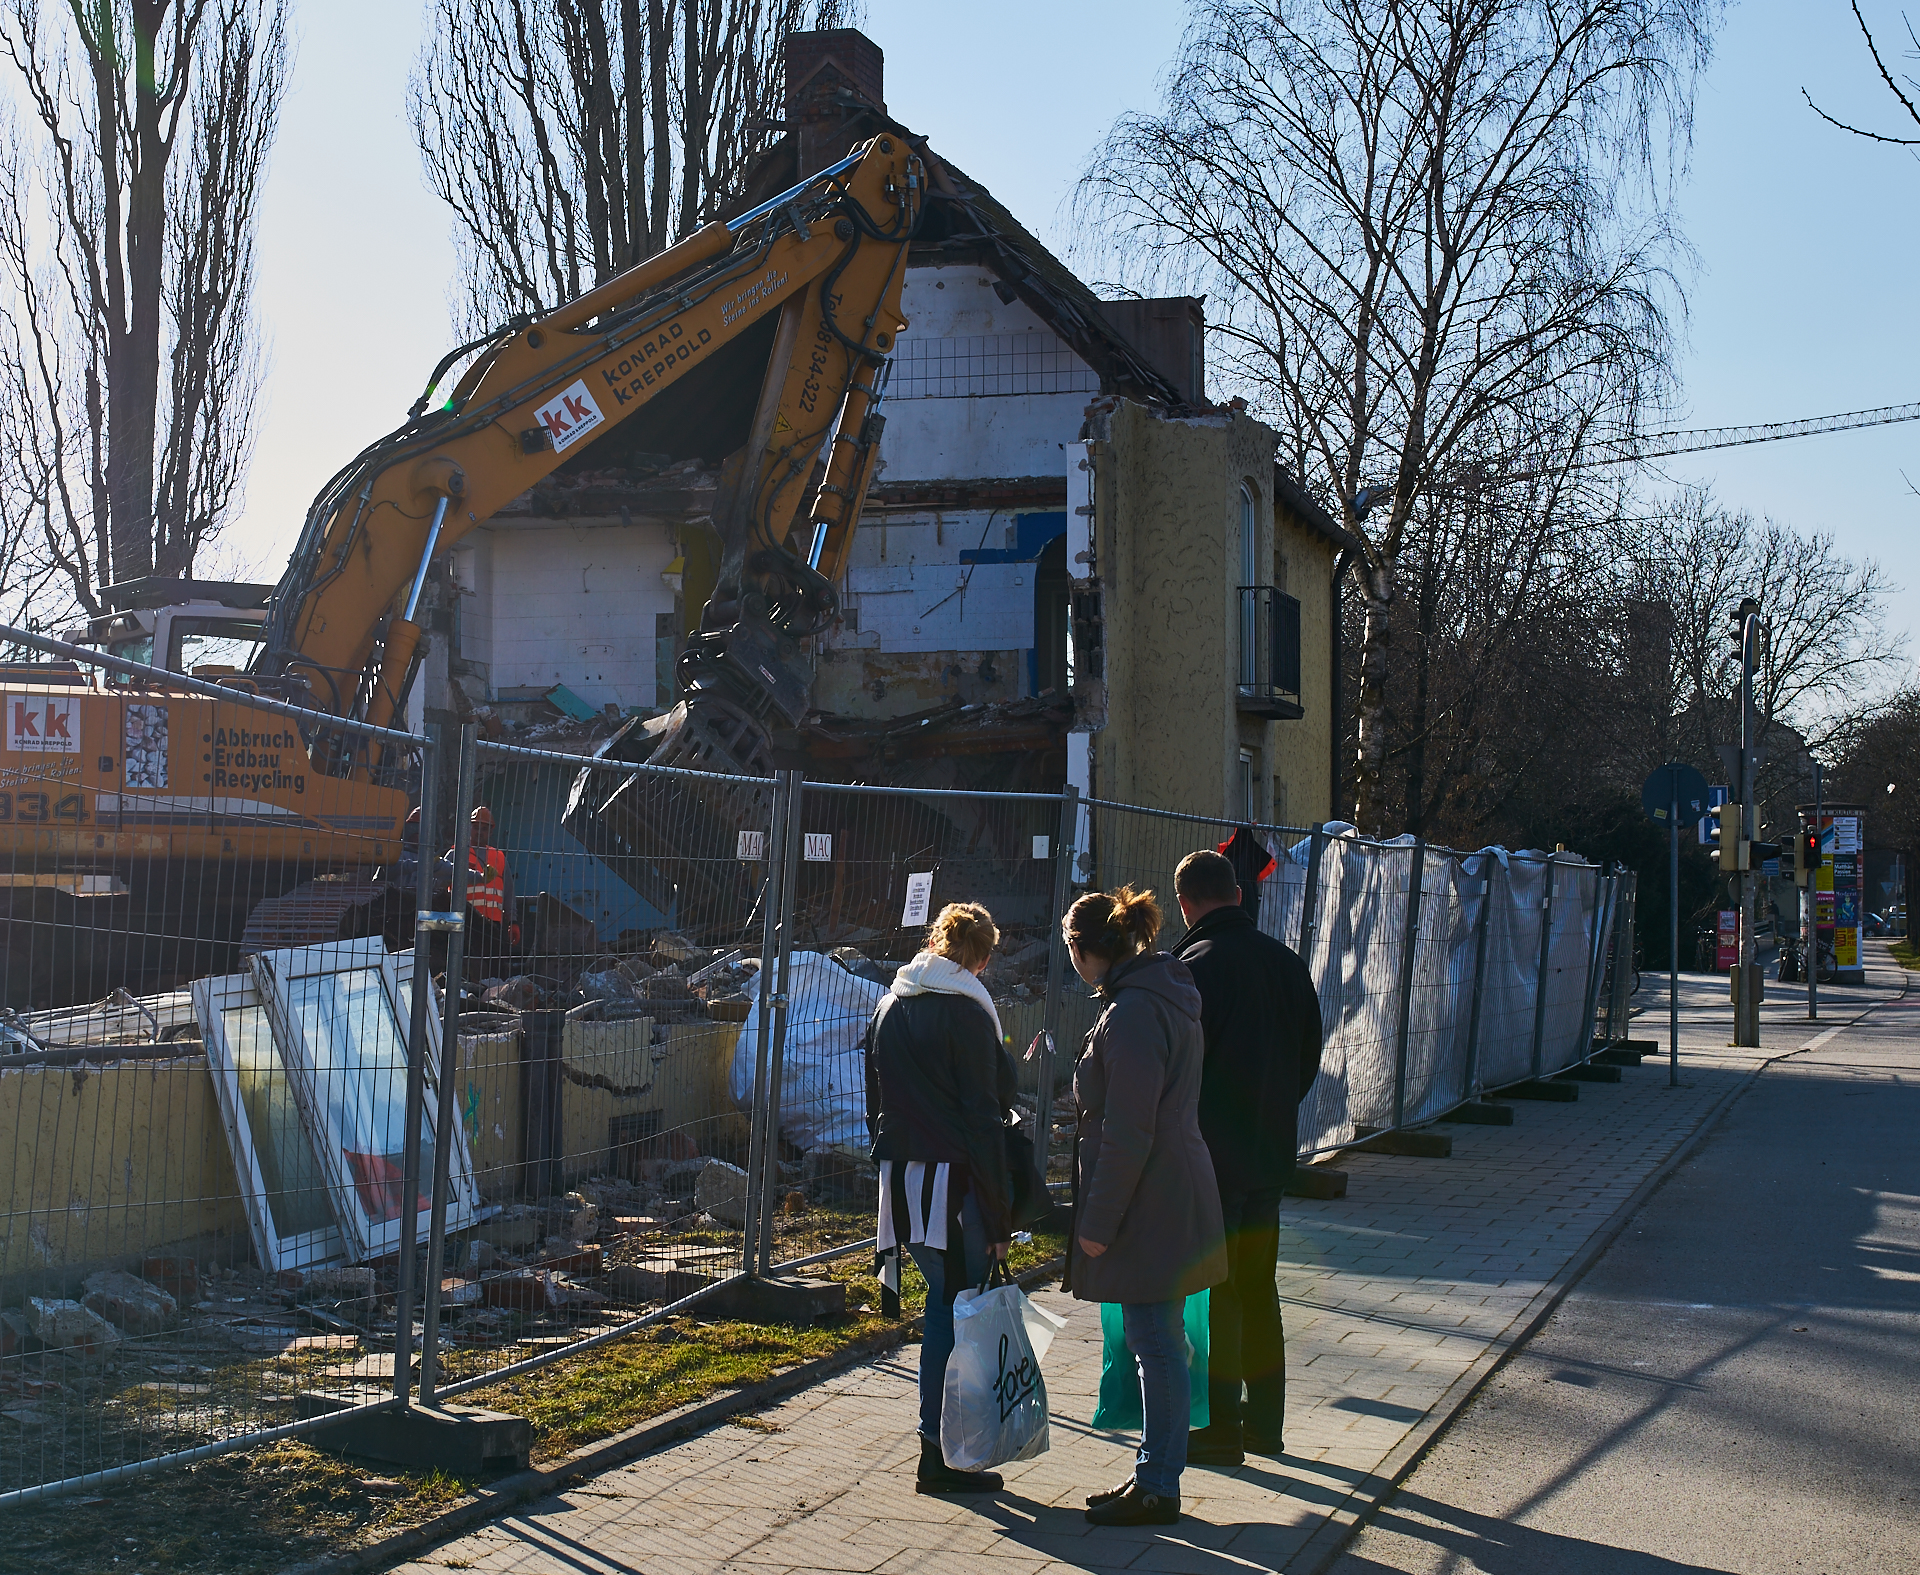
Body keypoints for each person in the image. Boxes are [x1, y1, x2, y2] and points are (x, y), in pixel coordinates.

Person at [1065, 885, 1227, 1528]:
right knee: (1158, 1342)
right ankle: (1153, 1476)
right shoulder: (1159, 994)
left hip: (1149, 1194)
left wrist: (1097, 1224)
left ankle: (1159, 1485)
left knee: (1156, 1345)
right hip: (1169, 1184)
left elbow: (1128, 1130)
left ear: (1087, 950)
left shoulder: (1132, 1012)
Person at [1174, 847, 1324, 1467]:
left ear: (1185, 903)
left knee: (1216, 1293)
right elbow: (1309, 1056)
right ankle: (1265, 1425)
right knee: (1260, 1289)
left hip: (1211, 1158)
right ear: (1236, 894)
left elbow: (1180, 1067)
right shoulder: (1286, 963)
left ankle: (1217, 1430)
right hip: (1269, 1154)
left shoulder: (1193, 968)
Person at [863, 901, 1019, 1495]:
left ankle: (943, 1446)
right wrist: (999, 1212)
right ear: (980, 958)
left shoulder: (889, 1003)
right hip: (954, 1183)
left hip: (901, 1180)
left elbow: (873, 1095)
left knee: (943, 1305)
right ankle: (942, 1451)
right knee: (955, 1311)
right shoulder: (970, 1012)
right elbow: (986, 1114)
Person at [442, 805, 518, 978]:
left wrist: (513, 921)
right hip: (465, 924)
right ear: (469, 827)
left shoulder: (499, 857)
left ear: (490, 832)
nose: (479, 832)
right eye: (476, 827)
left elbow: (508, 893)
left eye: (484, 828)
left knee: (495, 971)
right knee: (468, 970)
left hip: (494, 926)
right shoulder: (455, 854)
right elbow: (438, 887)